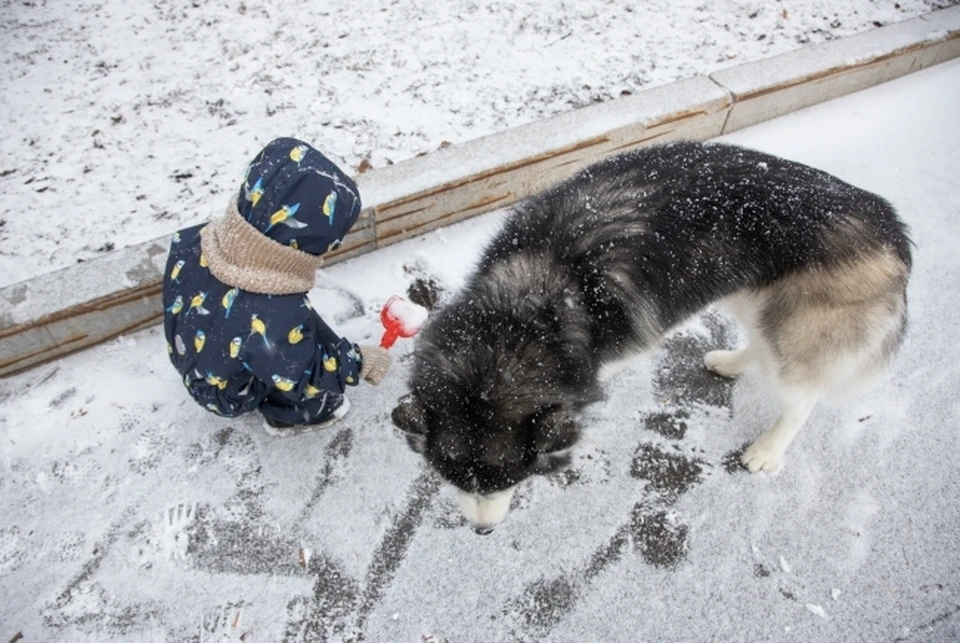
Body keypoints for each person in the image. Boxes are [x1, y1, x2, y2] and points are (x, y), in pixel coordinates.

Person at [161, 137, 392, 435]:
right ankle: (290, 416)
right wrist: (359, 363)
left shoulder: (196, 239)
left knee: (283, 330)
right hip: (223, 393)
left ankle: (269, 357)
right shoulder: (270, 313)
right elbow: (303, 373)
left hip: (193, 350)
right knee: (296, 372)